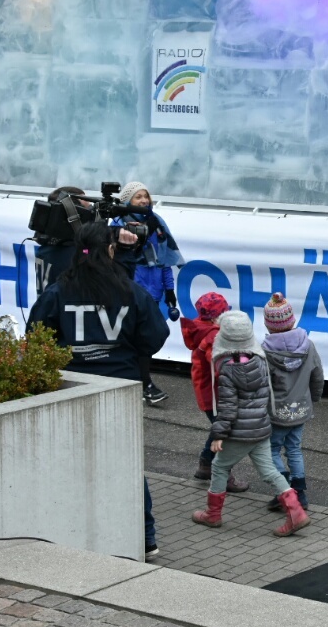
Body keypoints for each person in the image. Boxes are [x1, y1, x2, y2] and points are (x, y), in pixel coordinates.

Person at [27, 222, 170, 560]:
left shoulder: (57, 292)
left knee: (70, 461)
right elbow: (155, 336)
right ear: (110, 249)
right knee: (127, 464)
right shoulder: (130, 292)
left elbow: (36, 340)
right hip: (121, 388)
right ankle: (145, 537)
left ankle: (74, 530)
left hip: (71, 388)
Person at [191, 311, 310, 536]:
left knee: (219, 467)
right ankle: (296, 513)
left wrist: (219, 434)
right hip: (261, 428)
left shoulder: (227, 368)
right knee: (269, 471)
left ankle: (213, 515)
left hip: (239, 433)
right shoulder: (260, 360)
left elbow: (228, 406)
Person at [110, 180, 184, 405]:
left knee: (151, 335)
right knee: (137, 337)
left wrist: (169, 290)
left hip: (155, 290)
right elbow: (114, 259)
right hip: (131, 288)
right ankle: (144, 383)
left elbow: (165, 261)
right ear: (127, 201)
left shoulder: (156, 222)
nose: (144, 200)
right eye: (138, 197)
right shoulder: (117, 224)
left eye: (146, 196)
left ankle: (138, 381)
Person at [181, 291, 249, 494]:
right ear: (215, 317)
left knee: (220, 429)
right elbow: (220, 365)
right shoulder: (213, 336)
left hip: (208, 392)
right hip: (215, 394)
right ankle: (222, 475)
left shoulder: (203, 329)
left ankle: (205, 464)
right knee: (226, 433)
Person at [261, 292, 324, 512]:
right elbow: (317, 376)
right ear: (292, 320)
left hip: (276, 412)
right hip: (301, 409)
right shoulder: (308, 345)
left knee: (272, 450)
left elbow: (262, 384)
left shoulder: (265, 351)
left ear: (268, 325)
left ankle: (285, 490)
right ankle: (300, 493)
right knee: (294, 449)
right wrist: (314, 398)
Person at [32, 186, 138, 293]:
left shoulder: (47, 247)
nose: (90, 217)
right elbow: (119, 288)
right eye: (86, 211)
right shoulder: (78, 256)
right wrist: (124, 251)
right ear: (70, 216)